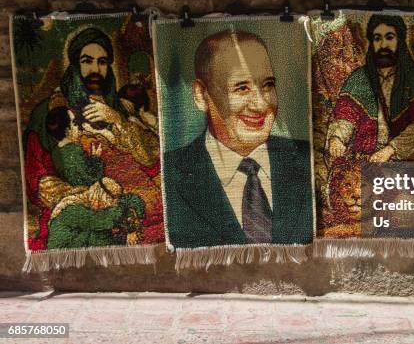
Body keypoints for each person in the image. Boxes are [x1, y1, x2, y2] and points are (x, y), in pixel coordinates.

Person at [163, 30, 312, 248]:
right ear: (201, 96)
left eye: (268, 85)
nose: (261, 104)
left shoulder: (309, 160)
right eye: (242, 88)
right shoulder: (169, 174)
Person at [23, 26, 159, 250]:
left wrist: (118, 120)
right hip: (88, 202)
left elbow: (151, 158)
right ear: (75, 64)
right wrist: (89, 196)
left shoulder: (121, 107)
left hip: (135, 195)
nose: (95, 69)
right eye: (87, 61)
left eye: (102, 62)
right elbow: (38, 179)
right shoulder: (50, 110)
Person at [326, 14, 414, 164]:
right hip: (365, 158)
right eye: (377, 38)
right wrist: (336, 139)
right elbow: (346, 118)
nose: (383, 44)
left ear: (400, 40)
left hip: (405, 161)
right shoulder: (359, 78)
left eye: (389, 37)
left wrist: (390, 150)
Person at [41, 106, 145, 249]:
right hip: (85, 188)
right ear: (68, 130)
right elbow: (91, 177)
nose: (80, 127)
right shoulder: (74, 151)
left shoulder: (56, 151)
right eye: (75, 124)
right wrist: (96, 159)